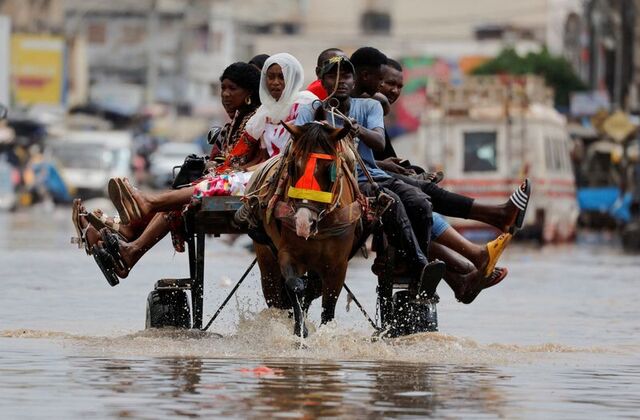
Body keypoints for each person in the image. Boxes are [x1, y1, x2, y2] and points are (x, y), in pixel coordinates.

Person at [295, 55, 444, 297]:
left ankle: (413, 268)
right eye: (333, 76)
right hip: (327, 184)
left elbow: (378, 140)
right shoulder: (310, 110)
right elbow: (299, 145)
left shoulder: (369, 107)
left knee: (420, 201)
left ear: (353, 81)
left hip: (366, 178)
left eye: (345, 76)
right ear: (322, 80)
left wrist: (357, 128)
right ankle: (419, 265)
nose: (340, 81)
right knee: (392, 203)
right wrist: (319, 122)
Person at [375, 58, 509, 302]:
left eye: (399, 86)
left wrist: (409, 170)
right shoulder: (355, 109)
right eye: (388, 84)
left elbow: (383, 160)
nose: (394, 91)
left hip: (379, 184)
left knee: (418, 201)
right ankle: (472, 260)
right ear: (371, 80)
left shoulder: (371, 112)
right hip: (366, 188)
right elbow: (364, 160)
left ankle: (467, 269)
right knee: (415, 203)